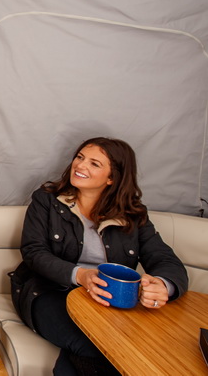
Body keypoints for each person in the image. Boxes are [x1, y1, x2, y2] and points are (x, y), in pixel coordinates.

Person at [10, 137, 188, 376]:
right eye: (80, 157)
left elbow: (165, 260)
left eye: (94, 164)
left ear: (112, 178)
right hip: (49, 292)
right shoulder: (46, 200)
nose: (80, 165)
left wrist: (164, 285)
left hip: (107, 303)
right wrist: (81, 276)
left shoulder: (133, 214)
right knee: (96, 345)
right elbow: (34, 253)